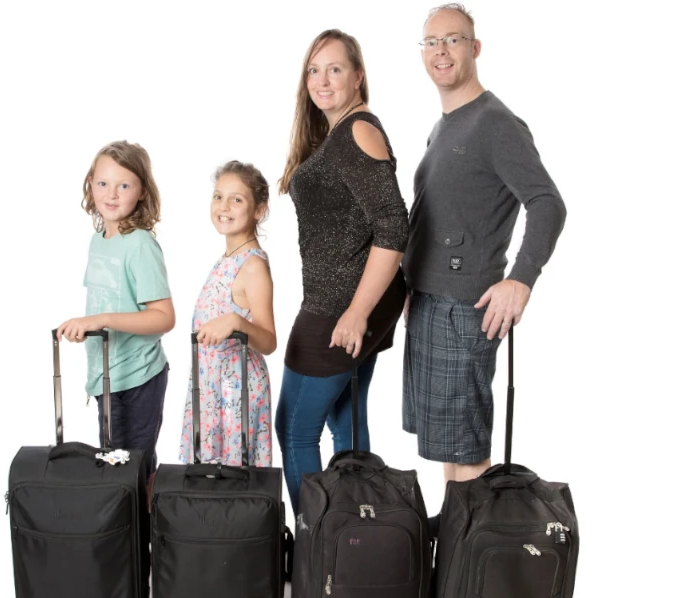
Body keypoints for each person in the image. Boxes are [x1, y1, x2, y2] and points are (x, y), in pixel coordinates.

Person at [402, 4, 567, 486]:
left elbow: (547, 203)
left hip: (463, 308)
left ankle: (467, 561)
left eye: (452, 39)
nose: (441, 51)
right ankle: (454, 559)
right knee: (450, 455)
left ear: (474, 48)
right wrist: (412, 281)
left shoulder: (495, 122)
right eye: (431, 42)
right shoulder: (445, 125)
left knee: (468, 456)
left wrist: (521, 279)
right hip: (432, 303)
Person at [275, 29, 409, 512]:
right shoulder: (338, 133)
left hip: (340, 307)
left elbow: (394, 225)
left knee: (294, 429)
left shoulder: (357, 130)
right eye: (314, 69)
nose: (322, 79)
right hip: (342, 300)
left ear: (358, 76)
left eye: (334, 68)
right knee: (347, 425)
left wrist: (356, 312)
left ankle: (318, 551)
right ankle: (355, 547)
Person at [56, 140, 175, 491]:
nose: (111, 194)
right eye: (103, 183)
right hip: (107, 377)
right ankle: (122, 543)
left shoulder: (140, 244)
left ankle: (144, 542)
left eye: (124, 185)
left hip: (139, 377)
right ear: (90, 184)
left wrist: (102, 320)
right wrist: (86, 325)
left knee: (133, 472)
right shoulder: (99, 241)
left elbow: (163, 317)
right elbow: (103, 303)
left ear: (141, 192)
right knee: (112, 469)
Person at [178, 161, 277, 467]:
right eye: (218, 196)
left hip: (235, 392)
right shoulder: (228, 259)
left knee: (234, 483)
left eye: (237, 199)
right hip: (210, 386)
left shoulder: (253, 266)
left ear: (259, 210)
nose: (224, 206)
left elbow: (269, 341)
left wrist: (236, 322)